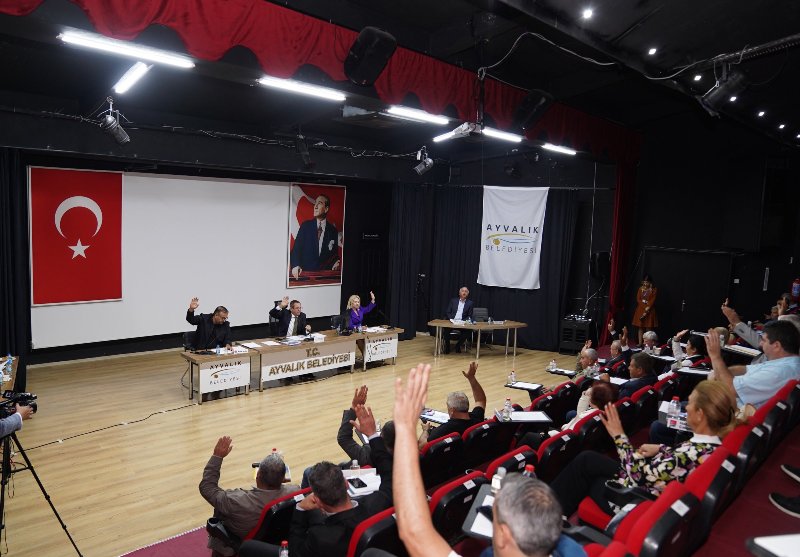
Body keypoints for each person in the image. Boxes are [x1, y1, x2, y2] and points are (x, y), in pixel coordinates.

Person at [393, 363, 582, 557]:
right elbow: (480, 400)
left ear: (503, 535)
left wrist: (406, 427)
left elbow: (415, 531)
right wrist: (472, 379)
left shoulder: (442, 432)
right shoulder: (574, 551)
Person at [549, 380, 737, 516]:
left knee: (584, 473)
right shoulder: (711, 445)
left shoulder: (689, 454)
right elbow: (678, 463)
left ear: (700, 414)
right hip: (650, 480)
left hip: (634, 499)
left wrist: (619, 436)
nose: (685, 408)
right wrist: (661, 449)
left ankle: (546, 514)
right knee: (587, 459)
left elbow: (638, 475)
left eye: (690, 403)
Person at [239, 405, 393, 557]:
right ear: (346, 484)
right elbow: (390, 474)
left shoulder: (320, 537)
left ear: (317, 501)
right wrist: (372, 434)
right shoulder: (378, 503)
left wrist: (300, 509)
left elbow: (295, 553)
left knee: (247, 547)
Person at [199, 436, 299, 557]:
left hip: (243, 542)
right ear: (283, 478)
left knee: (219, 513)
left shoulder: (237, 501)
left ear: (258, 475)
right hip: (275, 538)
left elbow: (207, 488)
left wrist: (217, 456)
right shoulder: (295, 492)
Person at [705, 320, 800, 410]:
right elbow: (744, 369)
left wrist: (715, 357)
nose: (760, 344)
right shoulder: (786, 363)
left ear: (776, 346)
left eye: (763, 340)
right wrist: (719, 373)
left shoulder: (779, 372)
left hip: (735, 414)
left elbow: (731, 388)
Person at [418, 361, 486, 448]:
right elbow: (480, 400)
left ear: (452, 410)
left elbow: (421, 445)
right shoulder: (476, 417)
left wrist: (425, 430)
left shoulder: (445, 430)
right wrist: (471, 378)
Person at [336, 385, 396, 467]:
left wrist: (353, 408)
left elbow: (343, 438)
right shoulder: (410, 457)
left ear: (381, 437)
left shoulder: (368, 455)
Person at [290, 194, 340, 280]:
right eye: (315, 203)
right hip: (305, 276)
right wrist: (295, 265)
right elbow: (296, 250)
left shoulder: (333, 231)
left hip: (324, 278)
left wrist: (335, 263)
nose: (315, 206)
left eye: (319, 203)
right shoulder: (305, 226)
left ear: (326, 209)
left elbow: (333, 255)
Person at [443, 286, 474, 354]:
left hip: (462, 323)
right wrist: (451, 319)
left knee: (468, 332)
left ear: (467, 294)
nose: (464, 292)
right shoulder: (453, 301)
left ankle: (458, 346)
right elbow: (448, 312)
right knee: (446, 330)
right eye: (462, 291)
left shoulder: (470, 303)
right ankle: (447, 347)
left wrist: (464, 321)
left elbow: (469, 316)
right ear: (459, 293)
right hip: (452, 322)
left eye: (466, 291)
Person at [632, 275, 658, 346]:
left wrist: (648, 307)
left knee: (648, 328)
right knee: (640, 327)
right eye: (644, 282)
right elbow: (638, 299)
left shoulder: (654, 290)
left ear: (650, 282)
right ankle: (640, 343)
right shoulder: (640, 289)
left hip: (650, 310)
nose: (645, 284)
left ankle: (647, 344)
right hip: (641, 309)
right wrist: (645, 307)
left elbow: (652, 300)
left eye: (647, 282)